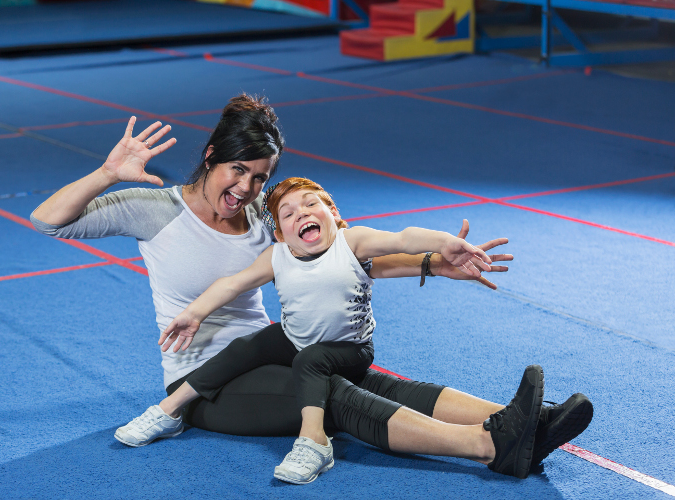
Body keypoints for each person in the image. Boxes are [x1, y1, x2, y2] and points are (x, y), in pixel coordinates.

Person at [31, 94, 592, 482]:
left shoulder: (260, 221)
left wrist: (429, 263)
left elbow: (340, 261)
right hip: (207, 384)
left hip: (280, 350)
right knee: (338, 397)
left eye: (259, 178)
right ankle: (491, 445)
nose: (246, 188)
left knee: (376, 381)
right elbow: (47, 220)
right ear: (211, 158)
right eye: (238, 172)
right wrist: (107, 174)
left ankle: (525, 421)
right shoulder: (156, 210)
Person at [117, 176, 494, 484]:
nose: (302, 214)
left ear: (333, 212)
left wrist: (445, 243)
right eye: (288, 213)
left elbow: (402, 239)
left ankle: (314, 441)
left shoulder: (352, 242)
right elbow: (232, 284)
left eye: (312, 204)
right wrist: (194, 313)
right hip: (294, 339)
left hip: (348, 350)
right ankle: (168, 410)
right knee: (246, 347)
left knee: (313, 361)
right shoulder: (278, 255)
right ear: (280, 233)